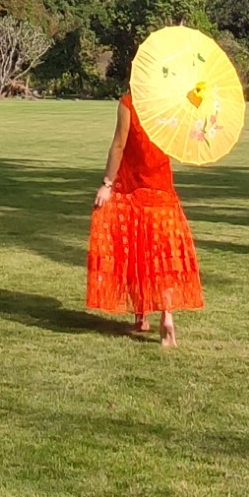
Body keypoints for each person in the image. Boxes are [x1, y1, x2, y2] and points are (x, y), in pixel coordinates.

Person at [87, 91, 203, 346]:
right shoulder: (169, 103)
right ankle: (165, 316)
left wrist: (107, 183)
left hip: (131, 189)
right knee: (161, 255)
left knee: (134, 250)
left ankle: (141, 317)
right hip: (162, 191)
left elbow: (119, 144)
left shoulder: (129, 103)